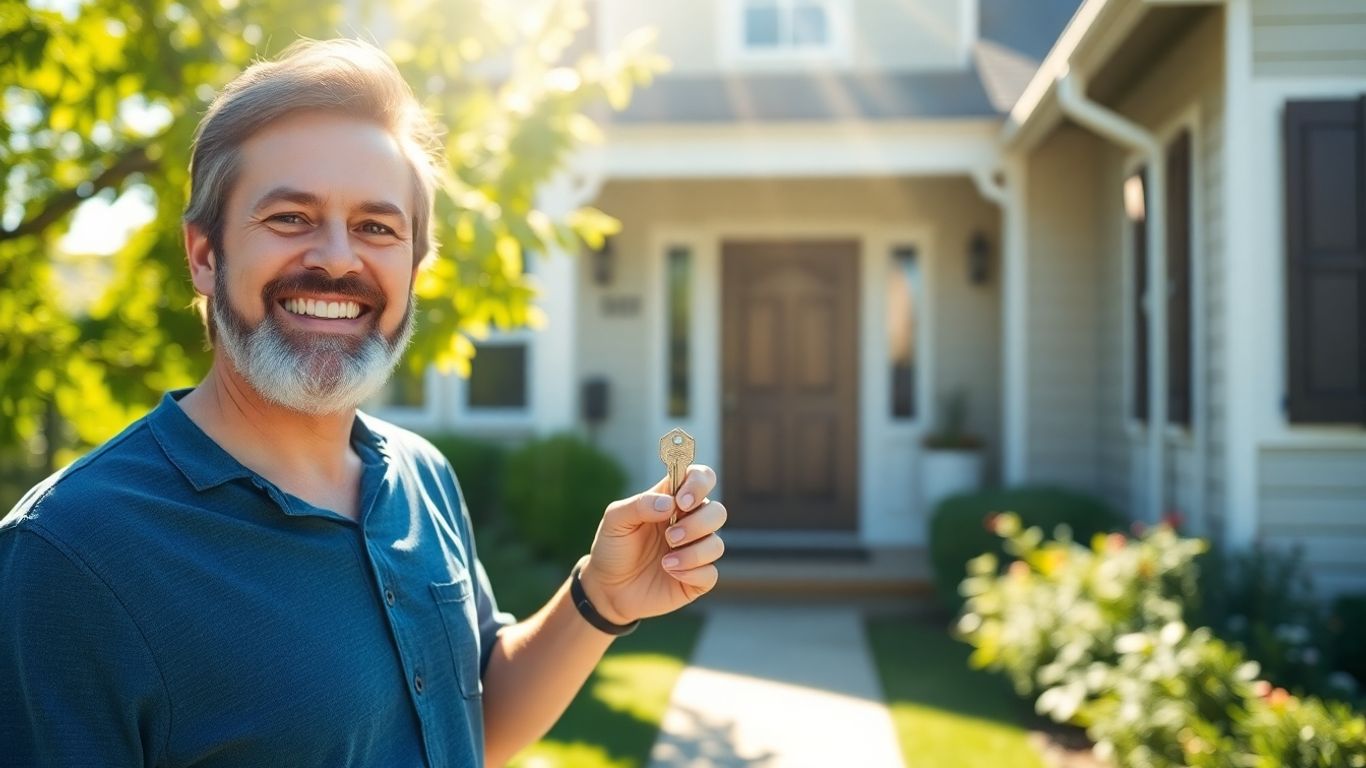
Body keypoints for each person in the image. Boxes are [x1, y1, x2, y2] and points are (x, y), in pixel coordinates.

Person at [0, 38, 727, 767]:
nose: (339, 259)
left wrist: (602, 599)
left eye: (378, 228)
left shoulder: (419, 476)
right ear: (204, 253)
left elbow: (474, 727)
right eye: (290, 217)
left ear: (414, 268)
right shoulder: (70, 556)